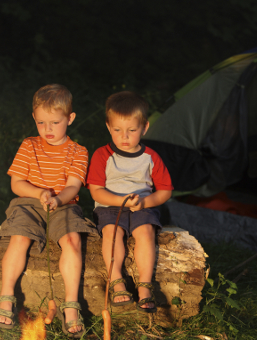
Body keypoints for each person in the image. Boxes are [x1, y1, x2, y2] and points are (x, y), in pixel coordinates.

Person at [0, 84, 97, 337]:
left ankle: (71, 306)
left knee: (72, 240)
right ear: (33, 119)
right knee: (19, 238)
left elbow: (73, 186)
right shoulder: (29, 146)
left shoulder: (78, 151)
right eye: (41, 123)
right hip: (29, 203)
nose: (47, 129)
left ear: (70, 118)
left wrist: (59, 199)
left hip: (64, 205)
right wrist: (38, 193)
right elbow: (16, 184)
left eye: (54, 122)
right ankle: (6, 298)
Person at [86, 91, 173, 313]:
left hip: (142, 204)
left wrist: (144, 203)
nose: (124, 136)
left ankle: (145, 286)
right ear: (108, 127)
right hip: (110, 204)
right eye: (117, 130)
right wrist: (119, 201)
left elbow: (165, 191)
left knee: (145, 232)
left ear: (144, 128)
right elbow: (96, 191)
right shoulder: (102, 155)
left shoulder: (150, 157)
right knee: (111, 233)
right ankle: (116, 281)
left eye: (132, 131)